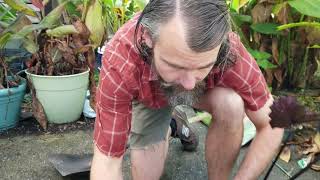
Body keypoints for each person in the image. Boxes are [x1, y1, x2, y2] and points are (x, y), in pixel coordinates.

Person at [90, 0, 284, 179]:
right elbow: (107, 161)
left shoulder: (229, 50)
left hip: (205, 94)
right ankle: (172, 125)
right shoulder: (121, 58)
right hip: (150, 96)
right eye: (175, 65)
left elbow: (273, 122)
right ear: (147, 38)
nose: (189, 83)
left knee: (231, 104)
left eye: (203, 66)